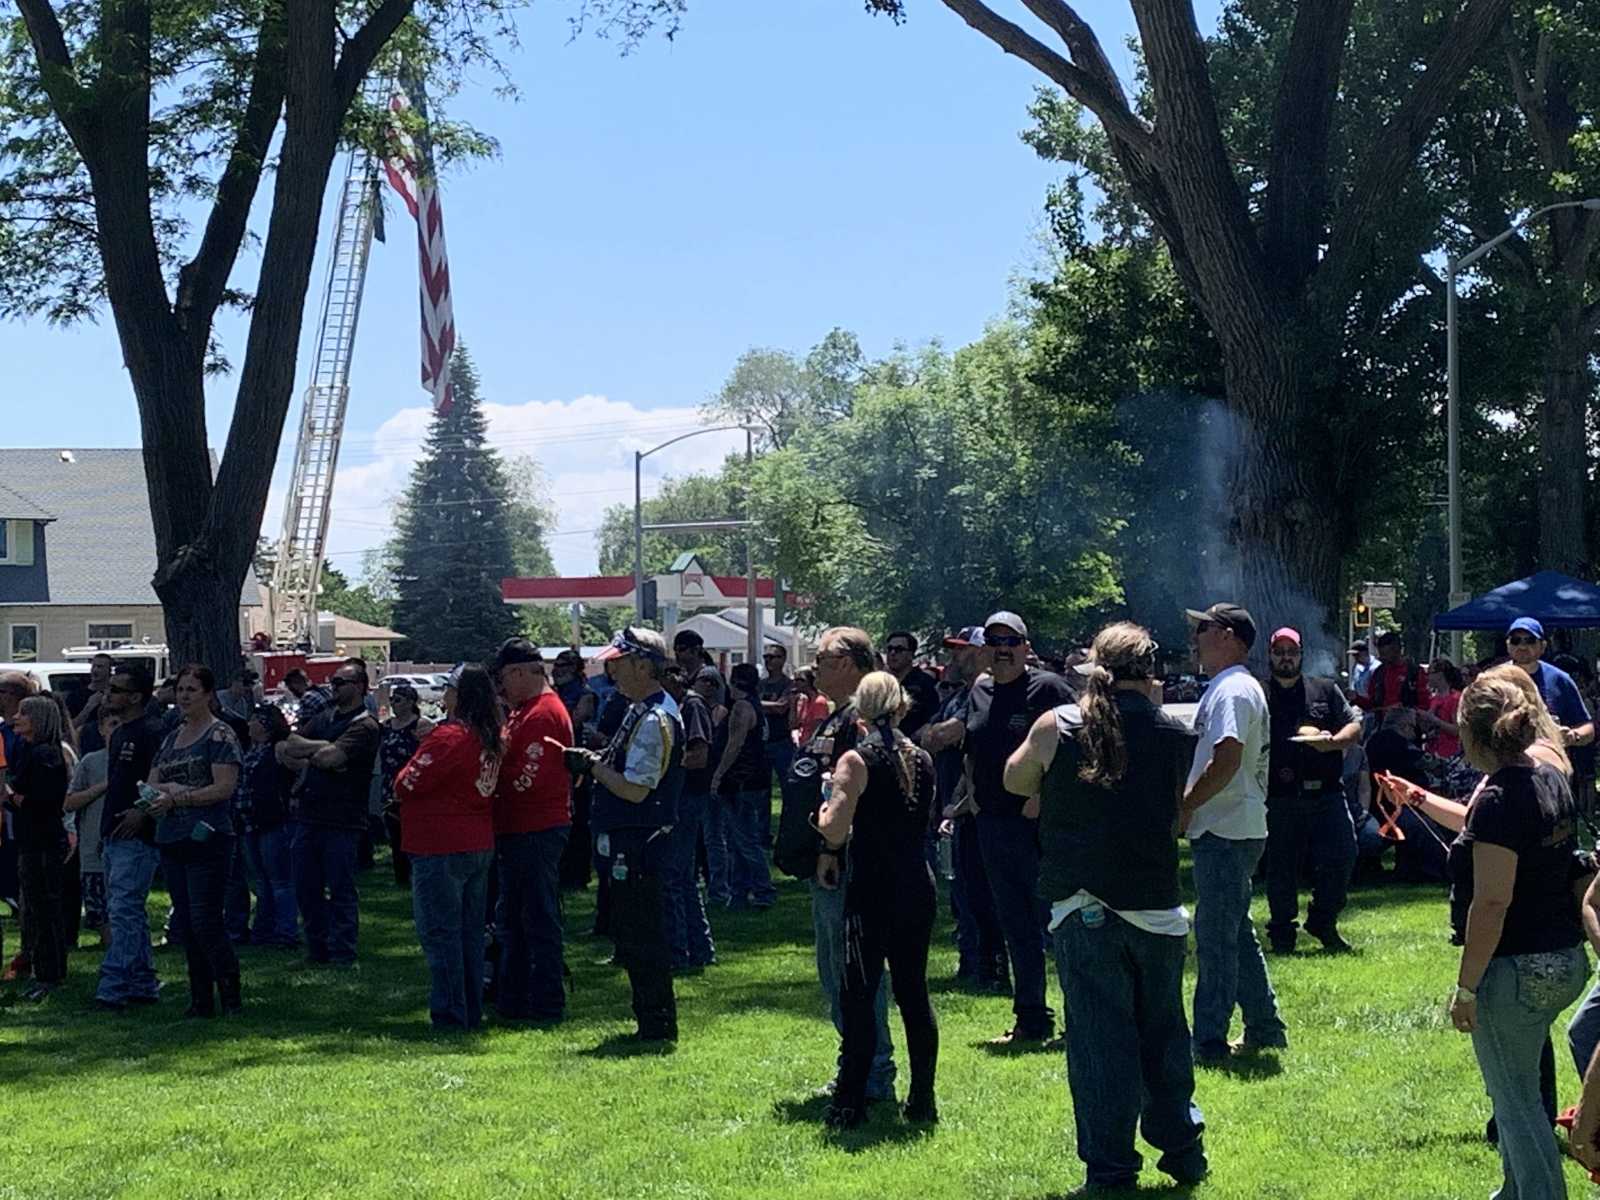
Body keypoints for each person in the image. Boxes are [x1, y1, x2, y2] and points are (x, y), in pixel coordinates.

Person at [1005, 622, 1208, 1193]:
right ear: (1151, 671)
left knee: (1100, 1044)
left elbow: (1014, 780)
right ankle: (1184, 1150)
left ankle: (1112, 1169)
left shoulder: (1057, 725)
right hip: (1155, 905)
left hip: (1083, 902)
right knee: (1164, 1034)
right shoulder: (1175, 732)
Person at [1443, 671, 1587, 1200]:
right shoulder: (1550, 775)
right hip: (1566, 959)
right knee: (1518, 1092)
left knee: (1517, 1104)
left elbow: (1492, 903)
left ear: (1473, 734)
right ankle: (1514, 1191)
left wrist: (1466, 988)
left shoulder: (1498, 800)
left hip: (1518, 970)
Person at [777, 626, 897, 1103]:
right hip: (829, 861)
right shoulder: (837, 715)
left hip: (846, 863)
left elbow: (853, 797)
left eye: (821, 660)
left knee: (853, 970)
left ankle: (872, 1073)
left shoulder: (859, 722)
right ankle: (858, 1065)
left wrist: (830, 849)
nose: (813, 669)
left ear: (847, 663)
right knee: (836, 969)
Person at [815, 670, 939, 1130]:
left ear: (860, 711)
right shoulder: (922, 757)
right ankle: (922, 1099)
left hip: (872, 888)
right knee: (913, 993)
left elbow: (834, 828)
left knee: (860, 994)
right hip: (916, 884)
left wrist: (824, 804)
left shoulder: (857, 759)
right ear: (902, 707)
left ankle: (850, 1101)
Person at [558, 627, 685, 1042]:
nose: (612, 670)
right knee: (631, 931)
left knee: (643, 933)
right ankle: (648, 1018)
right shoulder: (638, 709)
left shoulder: (654, 718)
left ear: (644, 666)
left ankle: (656, 1023)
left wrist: (591, 766)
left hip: (642, 840)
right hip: (629, 838)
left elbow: (635, 789)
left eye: (620, 662)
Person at [1181, 602, 1286, 1065]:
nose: (1195, 638)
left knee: (1216, 938)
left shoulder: (1233, 690)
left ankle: (1208, 1041)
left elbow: (1226, 758)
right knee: (1235, 932)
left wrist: (1186, 805)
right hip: (1233, 825)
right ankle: (1265, 1026)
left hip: (1226, 828)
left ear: (1227, 636)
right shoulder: (1233, 687)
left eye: (1202, 629)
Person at [964, 609, 1075, 1046]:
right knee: (1016, 925)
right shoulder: (980, 691)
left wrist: (1044, 796)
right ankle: (1031, 1019)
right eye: (995, 641)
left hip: (1040, 827)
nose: (1003, 649)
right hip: (992, 825)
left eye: (1011, 641)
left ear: (1026, 648)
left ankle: (1080, 1018)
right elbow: (972, 747)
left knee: (1058, 921)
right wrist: (971, 797)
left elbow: (1080, 744)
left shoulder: (1049, 689)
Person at [390, 663, 502, 1030]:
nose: (445, 695)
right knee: (470, 933)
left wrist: (426, 743)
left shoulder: (449, 738)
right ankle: (470, 1007)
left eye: (449, 689)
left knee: (441, 933)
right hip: (477, 840)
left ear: (460, 695)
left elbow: (405, 784)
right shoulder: (489, 735)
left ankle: (451, 1014)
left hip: (440, 844)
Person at [144, 665, 243, 1017]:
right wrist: (165, 792)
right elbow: (151, 782)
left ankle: (230, 994)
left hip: (208, 837)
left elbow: (224, 787)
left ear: (208, 694)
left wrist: (180, 797)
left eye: (191, 690)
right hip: (172, 837)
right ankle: (200, 999)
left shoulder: (220, 735)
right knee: (186, 921)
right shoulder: (172, 737)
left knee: (206, 919)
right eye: (181, 689)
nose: (184, 696)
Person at [1262, 626, 1363, 954]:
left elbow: (1353, 725)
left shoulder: (1325, 689)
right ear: (1270, 655)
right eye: (1280, 652)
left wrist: (1332, 743)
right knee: (1281, 868)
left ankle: (1323, 919)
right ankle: (1282, 934)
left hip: (1327, 793)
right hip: (1279, 796)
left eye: (1292, 652)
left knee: (1344, 854)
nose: (1286, 658)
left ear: (1301, 655)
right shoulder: (1260, 693)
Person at [490, 639, 575, 1023]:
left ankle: (545, 1000)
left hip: (535, 826)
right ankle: (517, 997)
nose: (502, 687)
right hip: (522, 826)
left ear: (520, 672)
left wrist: (489, 785)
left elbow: (529, 778)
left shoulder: (542, 715)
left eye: (504, 678)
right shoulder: (525, 711)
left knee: (537, 917)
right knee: (516, 917)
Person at [278, 661, 381, 966]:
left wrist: (319, 754)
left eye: (340, 683)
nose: (332, 687)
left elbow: (330, 758)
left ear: (359, 687)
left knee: (340, 888)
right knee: (306, 887)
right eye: (332, 682)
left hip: (343, 819)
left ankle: (342, 952)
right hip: (309, 815)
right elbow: (287, 746)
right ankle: (317, 949)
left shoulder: (365, 725)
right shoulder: (325, 716)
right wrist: (322, 749)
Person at [922, 626, 1007, 992]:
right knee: (962, 891)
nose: (954, 656)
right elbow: (927, 736)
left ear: (982, 652)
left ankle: (989, 967)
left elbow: (944, 736)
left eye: (961, 650)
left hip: (975, 807)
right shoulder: (958, 695)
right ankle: (972, 962)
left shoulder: (986, 693)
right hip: (951, 806)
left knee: (982, 894)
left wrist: (939, 735)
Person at [93, 665, 166, 1010]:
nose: (109, 694)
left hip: (137, 835)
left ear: (136, 696)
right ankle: (142, 982)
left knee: (124, 911)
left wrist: (143, 812)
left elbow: (158, 780)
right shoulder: (120, 733)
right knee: (126, 911)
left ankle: (114, 985)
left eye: (117, 689)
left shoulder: (152, 732)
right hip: (114, 831)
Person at [5, 695, 72, 1000]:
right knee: (36, 908)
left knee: (44, 908)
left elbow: (41, 801)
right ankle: (44, 969)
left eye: (24, 713)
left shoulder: (45, 755)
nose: (16, 718)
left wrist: (11, 796)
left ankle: (49, 974)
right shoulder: (31, 752)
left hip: (43, 841)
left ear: (39, 719)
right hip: (32, 839)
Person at [1506, 617, 1595, 816]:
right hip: (1505, 771)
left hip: (1551, 774)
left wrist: (1572, 736)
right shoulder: (1494, 679)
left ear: (1543, 646)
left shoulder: (1560, 680)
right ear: (1508, 645)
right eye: (1516, 640)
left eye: (1530, 640)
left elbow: (1588, 729)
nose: (1522, 646)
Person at [661, 665, 716, 972]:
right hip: (681, 798)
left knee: (675, 875)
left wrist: (662, 763)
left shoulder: (691, 705)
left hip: (688, 798)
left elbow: (699, 756)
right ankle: (700, 949)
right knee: (684, 876)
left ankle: (679, 951)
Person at [711, 662, 776, 910]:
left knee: (746, 840)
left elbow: (735, 744)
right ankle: (739, 892)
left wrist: (718, 774)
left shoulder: (742, 707)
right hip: (753, 780)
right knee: (737, 840)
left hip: (741, 782)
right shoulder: (755, 705)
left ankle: (763, 890)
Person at [236, 703, 298, 948]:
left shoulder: (278, 749)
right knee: (261, 881)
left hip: (274, 821)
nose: (249, 724)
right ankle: (263, 931)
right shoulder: (250, 750)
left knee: (280, 881)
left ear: (266, 725)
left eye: (254, 720)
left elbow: (303, 768)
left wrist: (294, 792)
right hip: (249, 822)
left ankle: (286, 933)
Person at [64, 710, 121, 948]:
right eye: (112, 724)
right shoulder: (90, 762)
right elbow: (70, 802)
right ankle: (111, 944)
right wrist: (103, 786)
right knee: (96, 904)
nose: (117, 729)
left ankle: (119, 947)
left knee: (122, 899)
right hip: (92, 842)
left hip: (124, 840)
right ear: (101, 729)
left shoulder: (135, 759)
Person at [378, 683, 434, 888]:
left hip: (412, 785)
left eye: (398, 700)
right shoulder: (386, 726)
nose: (394, 704)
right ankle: (400, 876)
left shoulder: (420, 725)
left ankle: (417, 872)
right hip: (389, 784)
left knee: (413, 832)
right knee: (394, 832)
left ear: (411, 702)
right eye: (392, 700)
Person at [758, 644, 797, 846]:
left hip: (782, 743)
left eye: (773, 657)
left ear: (783, 659)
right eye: (766, 657)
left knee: (788, 791)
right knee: (762, 793)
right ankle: (763, 835)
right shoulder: (761, 684)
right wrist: (767, 706)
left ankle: (786, 836)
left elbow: (782, 707)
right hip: (763, 743)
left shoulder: (789, 684)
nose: (769, 661)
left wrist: (759, 705)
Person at [1351, 630, 1430, 713]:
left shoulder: (1414, 672)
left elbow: (1425, 705)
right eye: (1380, 654)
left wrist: (1404, 711)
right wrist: (1356, 698)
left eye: (1384, 654)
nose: (1381, 657)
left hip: (1407, 720)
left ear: (1396, 650)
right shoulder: (1379, 673)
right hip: (1382, 720)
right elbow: (1371, 705)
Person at [884, 632, 941, 739]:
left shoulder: (925, 683)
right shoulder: (881, 683)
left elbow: (934, 718)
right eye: (889, 649)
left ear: (911, 655)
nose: (892, 653)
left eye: (899, 649)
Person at [1426, 657, 1465, 760]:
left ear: (1440, 675)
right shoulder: (1433, 698)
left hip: (1449, 754)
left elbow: (1457, 730)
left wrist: (1435, 720)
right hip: (1432, 752)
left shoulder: (1455, 698)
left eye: (1430, 673)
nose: (1428, 676)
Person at [794, 668, 831, 745]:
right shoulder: (804, 701)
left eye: (800, 680)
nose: (796, 683)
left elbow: (817, 730)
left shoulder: (819, 702)